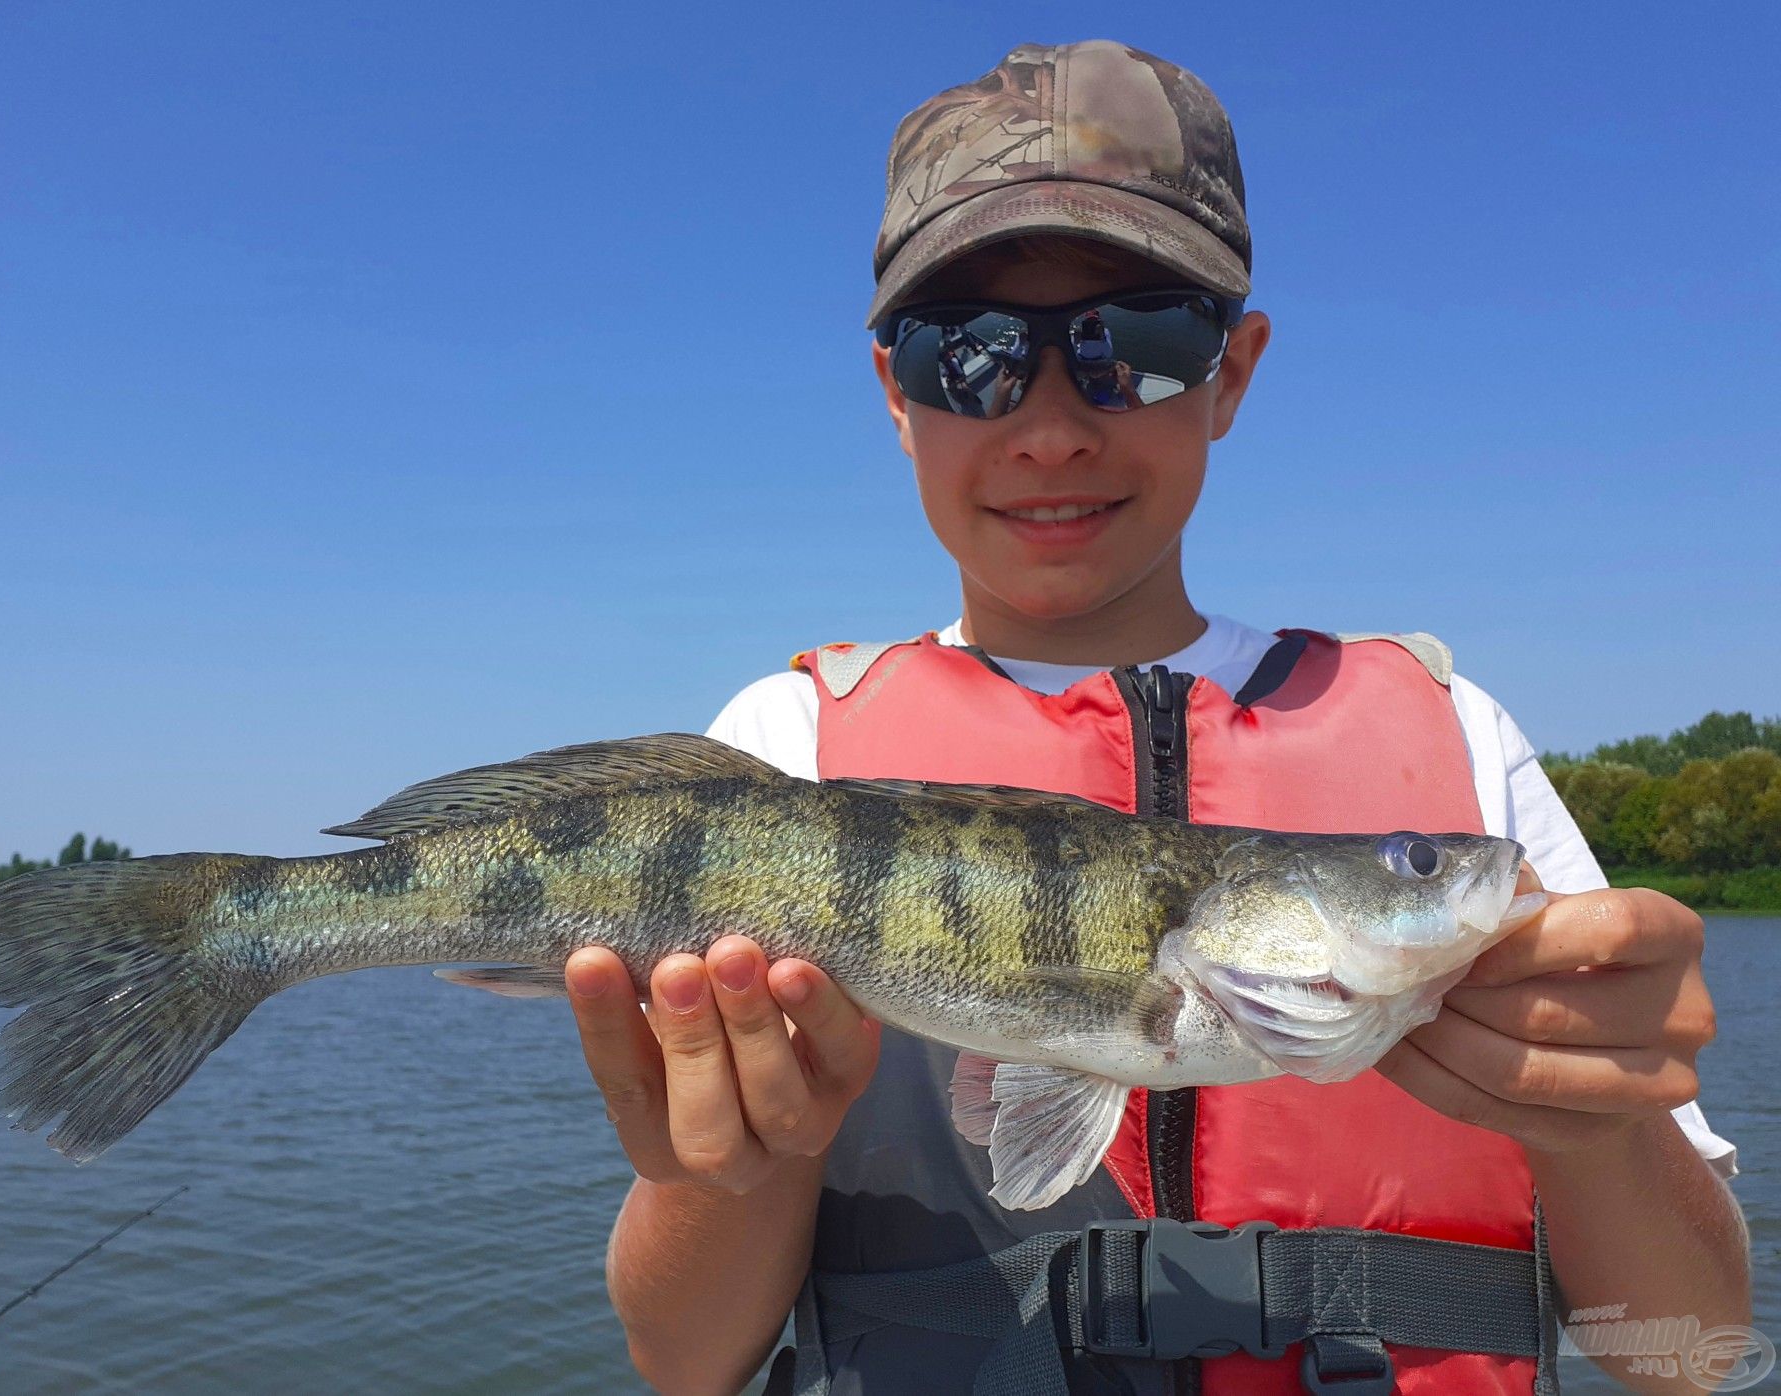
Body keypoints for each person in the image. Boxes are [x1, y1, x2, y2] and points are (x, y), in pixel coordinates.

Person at [474, 40, 1754, 1396]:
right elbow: (682, 1362)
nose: (1047, 430)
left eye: (1133, 348)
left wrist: (1599, 1129)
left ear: (1232, 372)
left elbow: (1698, 1351)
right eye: (967, 357)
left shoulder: (1460, 740)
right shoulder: (786, 744)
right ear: (892, 398)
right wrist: (739, 1158)